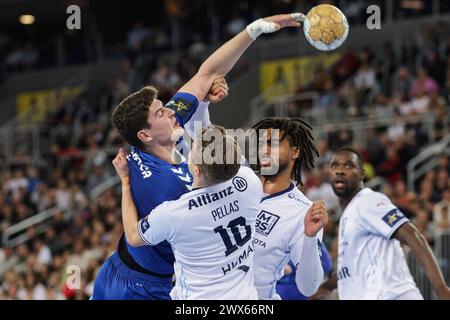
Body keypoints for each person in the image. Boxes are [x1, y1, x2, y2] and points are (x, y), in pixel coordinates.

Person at [92, 13, 306, 300]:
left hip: (132, 275)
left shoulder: (155, 136)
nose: (171, 111)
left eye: (164, 107)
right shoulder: (168, 188)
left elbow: (205, 75)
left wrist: (253, 30)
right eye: (160, 112)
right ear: (145, 134)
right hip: (140, 283)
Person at [111, 126, 262, 299]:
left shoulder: (173, 213)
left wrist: (125, 181)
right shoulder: (250, 180)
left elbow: (133, 236)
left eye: (193, 151)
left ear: (196, 170)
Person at [312, 148, 450, 300]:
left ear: (362, 174)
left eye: (349, 166)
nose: (340, 170)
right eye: (335, 166)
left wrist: (441, 289)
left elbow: (413, 235)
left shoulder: (368, 201)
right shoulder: (349, 214)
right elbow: (350, 268)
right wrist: (324, 288)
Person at [251, 118, 329, 299]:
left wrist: (309, 237)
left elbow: (308, 287)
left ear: (295, 152)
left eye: (274, 144)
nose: (265, 150)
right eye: (262, 144)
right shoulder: (239, 182)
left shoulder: (303, 211)